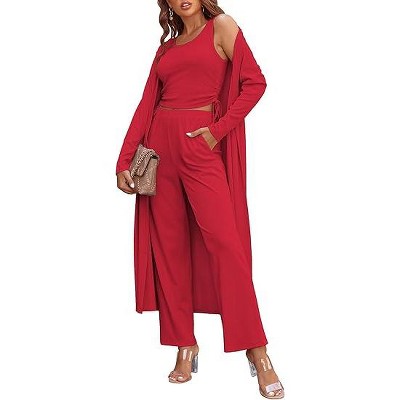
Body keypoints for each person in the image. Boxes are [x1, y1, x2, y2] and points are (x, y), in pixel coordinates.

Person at [116, 1, 284, 398]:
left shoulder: (222, 26)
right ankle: (184, 344)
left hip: (199, 146)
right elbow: (147, 104)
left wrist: (217, 131)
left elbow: (255, 83)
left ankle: (257, 351)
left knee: (227, 246)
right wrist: (124, 158)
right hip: (160, 149)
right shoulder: (166, 49)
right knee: (169, 250)